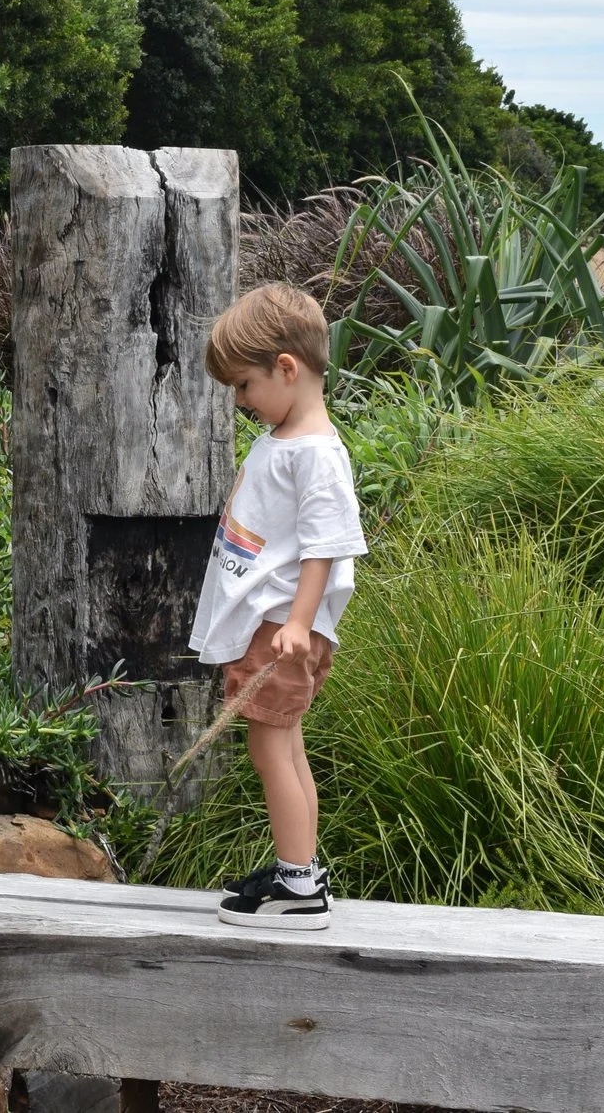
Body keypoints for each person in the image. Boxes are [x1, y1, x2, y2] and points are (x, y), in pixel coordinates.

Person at [190, 282, 366, 929]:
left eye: (243, 386)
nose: (239, 402)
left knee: (272, 750)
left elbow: (327, 545)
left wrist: (298, 621)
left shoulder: (316, 453)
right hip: (272, 623)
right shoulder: (292, 440)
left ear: (285, 369)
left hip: (279, 628)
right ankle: (302, 872)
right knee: (283, 746)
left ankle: (298, 888)